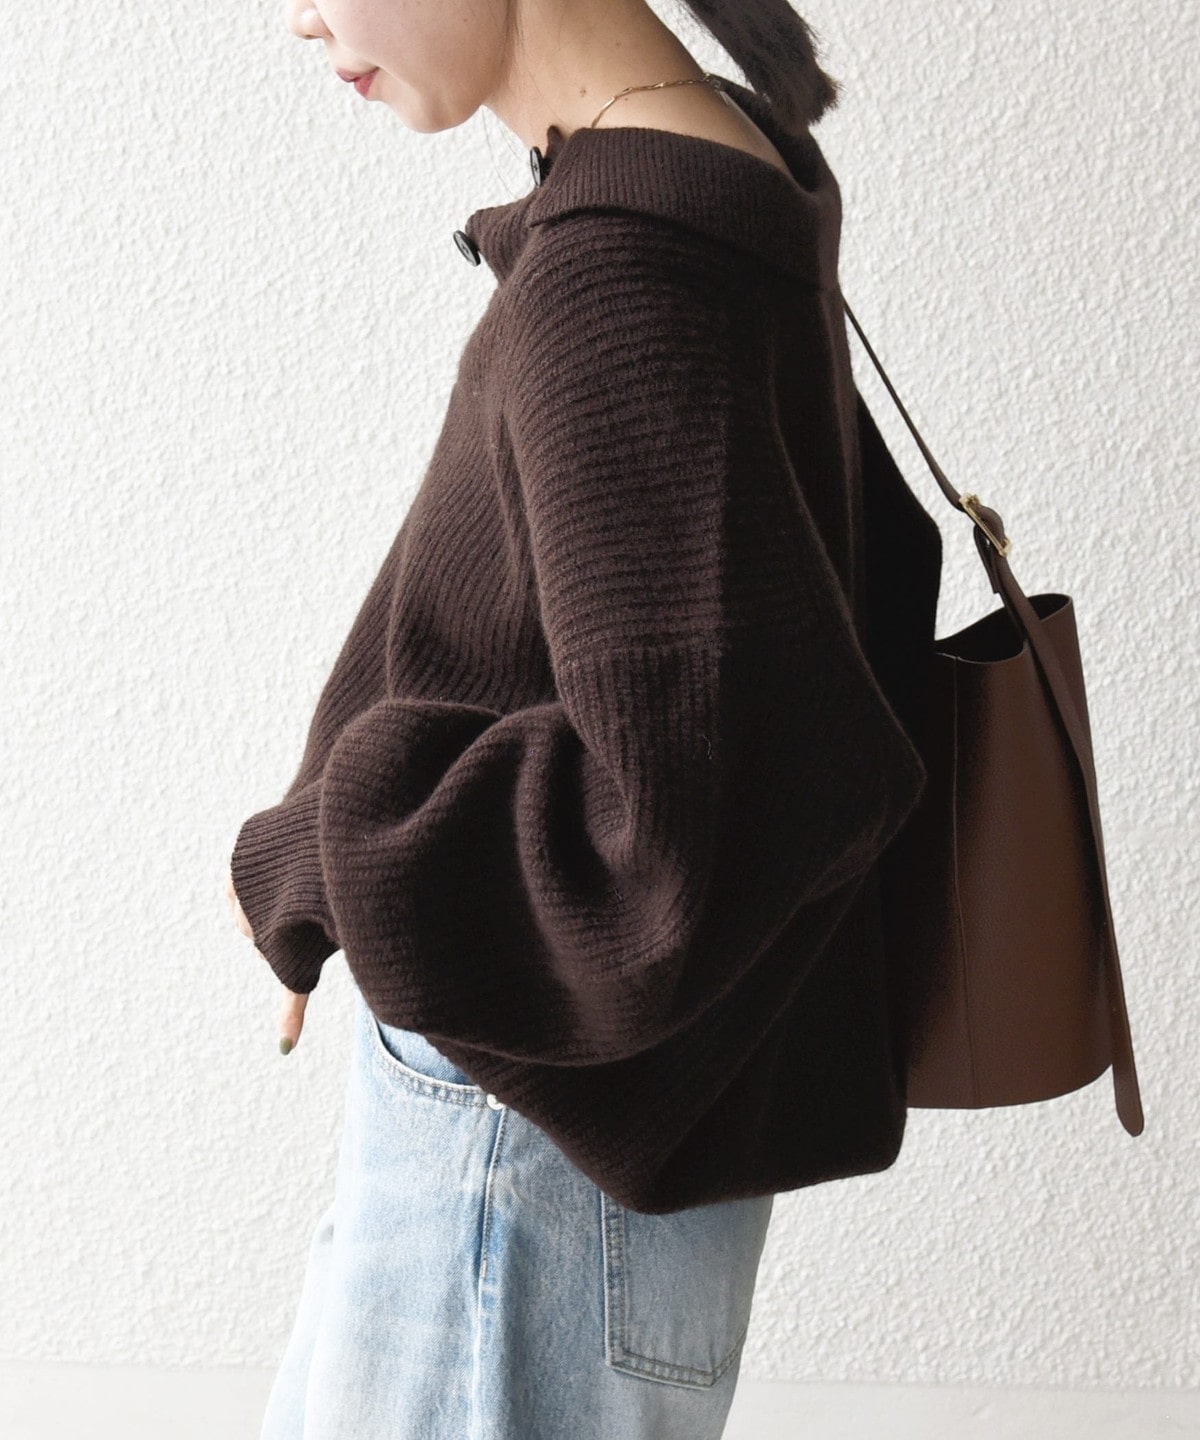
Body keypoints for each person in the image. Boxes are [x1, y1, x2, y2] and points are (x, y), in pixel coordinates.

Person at [226, 0, 943, 1436]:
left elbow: (678, 825)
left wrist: (332, 852)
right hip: (581, 1149)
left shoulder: (624, 268)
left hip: (527, 1156)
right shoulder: (713, 157)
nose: (299, 18)